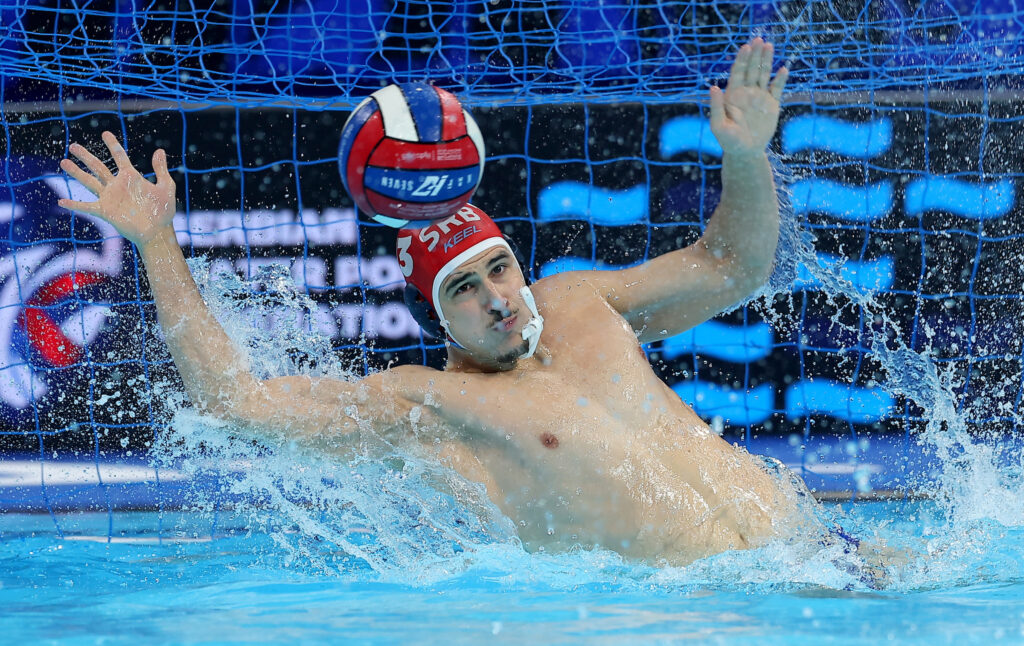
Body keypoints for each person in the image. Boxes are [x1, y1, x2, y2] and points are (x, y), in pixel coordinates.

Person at [59, 38, 831, 567]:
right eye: (464, 289)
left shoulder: (581, 302)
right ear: (436, 318)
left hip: (826, 559)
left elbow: (731, 265)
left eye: (500, 270)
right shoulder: (431, 404)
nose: (498, 298)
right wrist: (157, 241)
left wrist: (744, 152)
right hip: (692, 612)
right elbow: (237, 402)